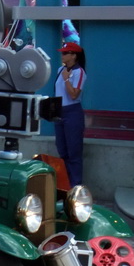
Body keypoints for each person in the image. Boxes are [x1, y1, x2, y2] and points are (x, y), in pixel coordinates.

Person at [54, 41, 87, 187]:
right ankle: (65, 183)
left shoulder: (79, 72)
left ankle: (75, 185)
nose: (62, 55)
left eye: (65, 53)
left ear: (74, 56)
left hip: (72, 111)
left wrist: (67, 79)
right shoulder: (60, 70)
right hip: (59, 112)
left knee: (74, 151)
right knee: (62, 150)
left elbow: (74, 94)